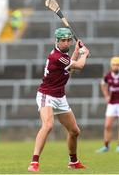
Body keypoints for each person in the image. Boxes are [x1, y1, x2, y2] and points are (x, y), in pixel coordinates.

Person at [28, 27, 89, 172]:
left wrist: (76, 51)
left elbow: (70, 65)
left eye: (69, 40)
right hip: (46, 95)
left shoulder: (63, 56)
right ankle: (34, 162)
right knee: (48, 125)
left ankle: (73, 161)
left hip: (60, 97)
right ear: (57, 41)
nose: (67, 43)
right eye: (63, 40)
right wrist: (85, 54)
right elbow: (79, 66)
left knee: (74, 131)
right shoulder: (56, 56)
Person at [96, 56, 119, 153]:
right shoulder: (108, 76)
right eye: (114, 65)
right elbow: (102, 84)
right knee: (107, 125)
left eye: (118, 65)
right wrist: (106, 95)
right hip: (111, 104)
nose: (116, 67)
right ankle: (106, 146)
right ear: (111, 66)